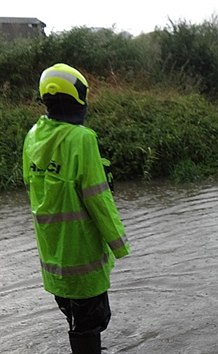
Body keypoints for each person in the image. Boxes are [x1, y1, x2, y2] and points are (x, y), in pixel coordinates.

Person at [22, 63, 131, 354]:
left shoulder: (33, 136)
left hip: (52, 257)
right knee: (92, 321)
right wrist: (119, 244)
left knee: (75, 317)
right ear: (79, 97)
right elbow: (98, 198)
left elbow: (29, 183)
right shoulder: (82, 139)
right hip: (82, 256)